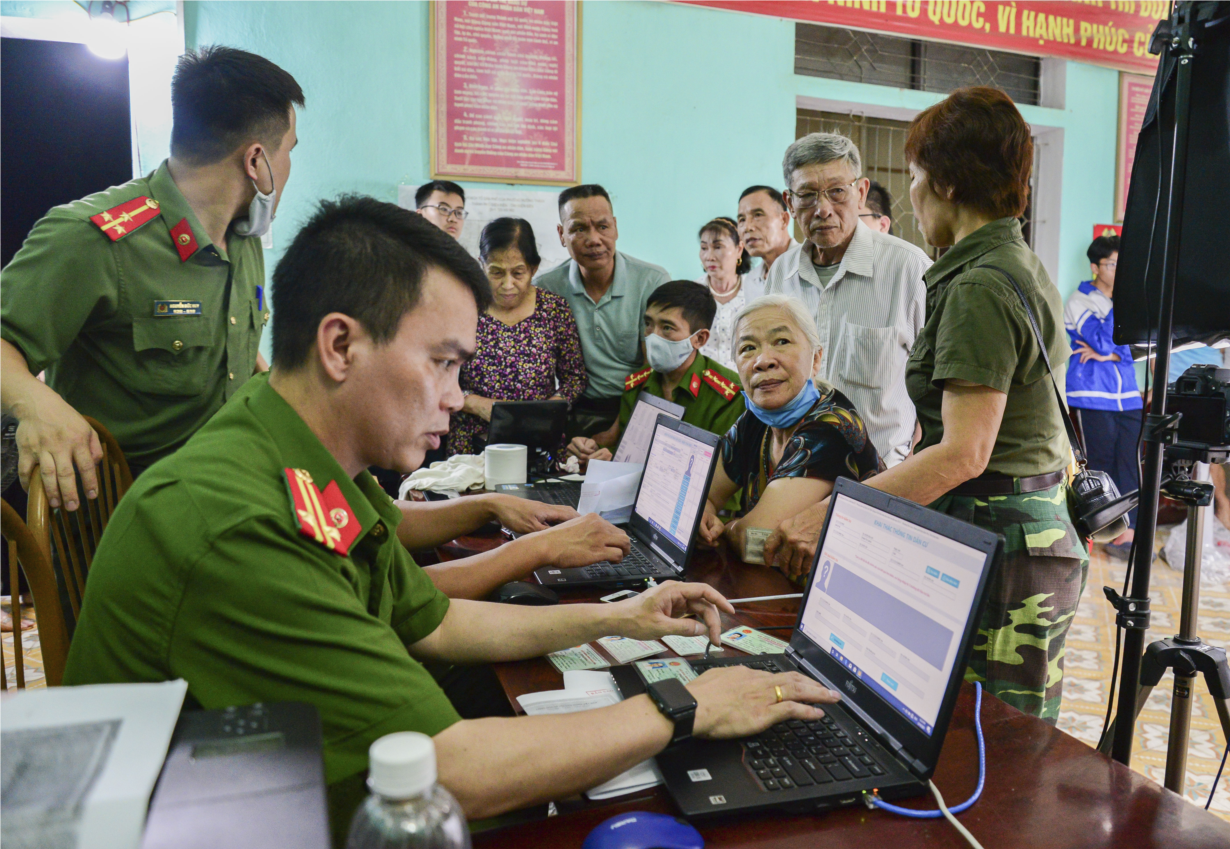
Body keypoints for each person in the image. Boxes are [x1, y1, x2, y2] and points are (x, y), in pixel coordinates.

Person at [61, 196, 840, 843]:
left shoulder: (299, 459)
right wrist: (689, 705)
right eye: (441, 362)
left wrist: (631, 618)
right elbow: (450, 769)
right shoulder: (234, 521)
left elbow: (431, 620)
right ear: (341, 344)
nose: (454, 393)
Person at [764, 87, 1087, 723]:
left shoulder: (979, 284)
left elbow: (964, 452)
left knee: (993, 743)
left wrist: (836, 515)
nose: (910, 196)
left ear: (942, 181)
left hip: (1007, 543)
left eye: (912, 177)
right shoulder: (1003, 259)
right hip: (1000, 528)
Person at [0, 46, 303, 509]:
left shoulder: (242, 238)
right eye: (288, 154)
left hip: (224, 500)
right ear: (256, 161)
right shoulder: (95, 239)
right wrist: (33, 403)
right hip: (122, 516)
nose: (287, 172)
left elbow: (234, 351)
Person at [765, 133, 929, 467]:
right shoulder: (781, 273)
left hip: (877, 481)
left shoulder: (908, 269)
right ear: (789, 201)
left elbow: (938, 386)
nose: (823, 209)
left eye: (837, 192)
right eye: (807, 195)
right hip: (793, 471)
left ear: (861, 193)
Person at [699, 295, 882, 554]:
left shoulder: (831, 426)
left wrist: (727, 528)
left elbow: (758, 540)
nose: (763, 361)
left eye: (781, 341)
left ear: (816, 359)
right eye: (747, 348)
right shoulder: (756, 420)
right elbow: (700, 496)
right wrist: (704, 516)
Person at [536, 185, 670, 438]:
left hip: (637, 406)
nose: (594, 239)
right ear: (561, 234)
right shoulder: (545, 288)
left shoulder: (652, 282)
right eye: (578, 228)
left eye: (603, 226)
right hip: (572, 410)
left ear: (615, 227)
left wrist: (616, 432)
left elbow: (655, 369)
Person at [447, 217, 587, 456]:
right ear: (481, 264)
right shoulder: (463, 308)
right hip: (471, 444)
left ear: (533, 268)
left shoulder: (554, 310)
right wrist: (475, 403)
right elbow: (437, 378)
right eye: (497, 272)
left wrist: (545, 410)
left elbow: (574, 378)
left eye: (518, 273)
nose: (507, 285)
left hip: (537, 441)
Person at [567, 281, 746, 464]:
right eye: (648, 324)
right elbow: (625, 451)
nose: (653, 336)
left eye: (667, 327)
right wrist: (594, 454)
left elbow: (726, 477)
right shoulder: (637, 384)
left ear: (699, 339)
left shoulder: (728, 396)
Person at [1064, 234, 1142, 560]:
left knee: (1130, 464)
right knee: (1103, 465)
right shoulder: (1079, 300)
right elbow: (1105, 342)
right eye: (1113, 264)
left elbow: (1137, 347)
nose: (1119, 269)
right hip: (1093, 395)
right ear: (1096, 267)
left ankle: (1129, 535)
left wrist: (1111, 355)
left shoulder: (1132, 300)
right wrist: (1111, 353)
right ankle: (1106, 531)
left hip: (1129, 397)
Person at [696, 216, 754, 371]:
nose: (709, 256)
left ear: (739, 249)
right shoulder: (692, 293)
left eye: (718, 247)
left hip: (746, 382)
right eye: (704, 248)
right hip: (700, 383)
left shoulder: (755, 290)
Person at [736, 185, 796, 292]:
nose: (747, 227)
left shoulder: (809, 266)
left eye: (758, 215)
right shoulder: (751, 281)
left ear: (784, 220)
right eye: (742, 219)